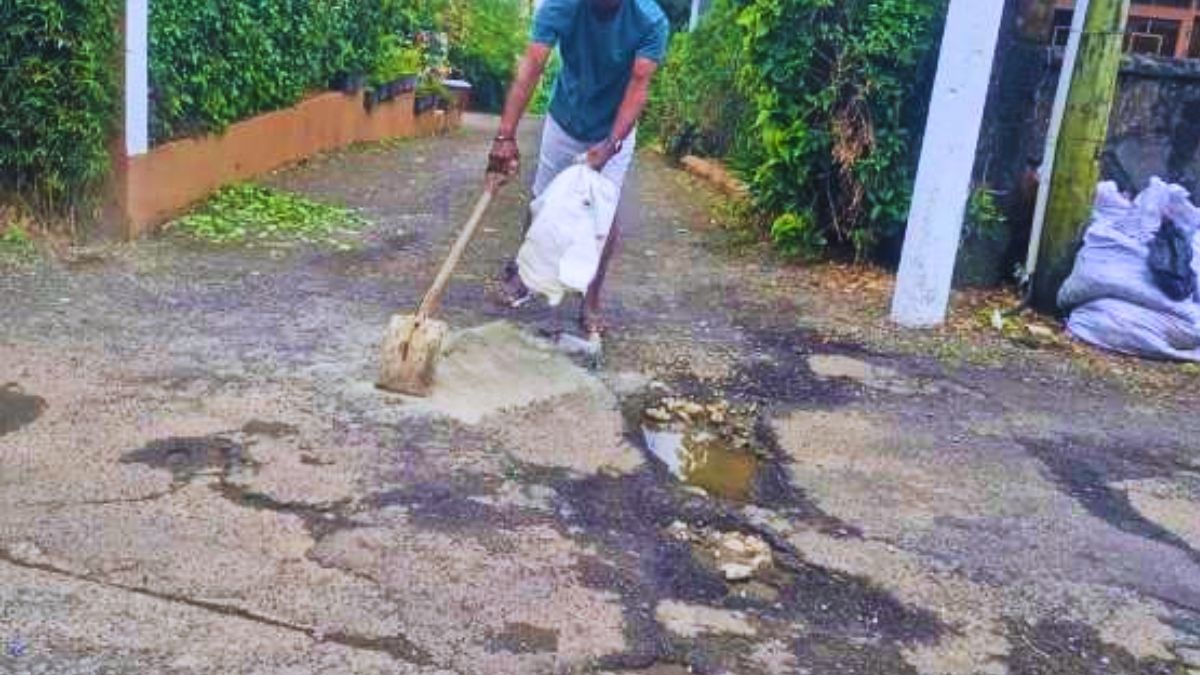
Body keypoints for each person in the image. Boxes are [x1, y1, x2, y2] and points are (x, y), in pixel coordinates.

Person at [486, 0, 670, 337]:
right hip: (565, 118)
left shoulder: (650, 20)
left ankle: (591, 299)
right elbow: (532, 65)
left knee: (604, 215)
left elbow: (638, 87)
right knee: (541, 201)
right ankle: (524, 276)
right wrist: (505, 135)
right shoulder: (561, 5)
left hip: (615, 127)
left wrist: (611, 143)